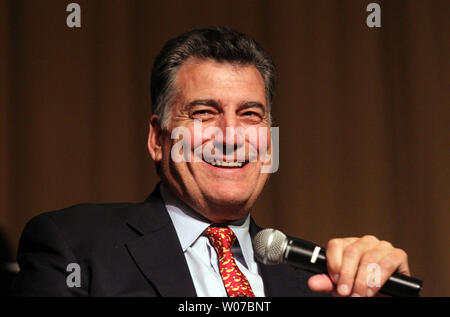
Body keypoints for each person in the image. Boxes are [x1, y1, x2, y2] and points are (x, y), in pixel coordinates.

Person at [12, 27, 410, 297]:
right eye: (203, 112)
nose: (231, 135)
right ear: (157, 138)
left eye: (251, 115)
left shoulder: (319, 281)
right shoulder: (74, 247)